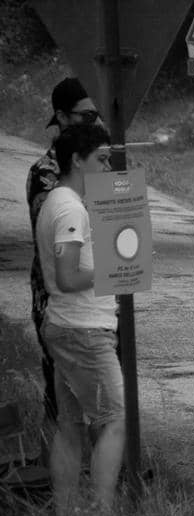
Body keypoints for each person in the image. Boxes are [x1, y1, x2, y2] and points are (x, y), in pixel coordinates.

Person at [33, 122, 123, 513]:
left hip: (65, 327)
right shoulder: (71, 207)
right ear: (76, 160)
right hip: (85, 330)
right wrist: (118, 270)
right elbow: (69, 276)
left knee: (69, 428)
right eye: (100, 160)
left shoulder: (56, 201)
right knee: (116, 420)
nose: (106, 169)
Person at [27, 77, 105, 426]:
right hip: (59, 299)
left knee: (100, 389)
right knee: (63, 395)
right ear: (61, 116)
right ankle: (60, 472)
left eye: (98, 116)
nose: (96, 124)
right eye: (86, 117)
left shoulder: (99, 166)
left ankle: (108, 469)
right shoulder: (46, 175)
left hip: (98, 298)